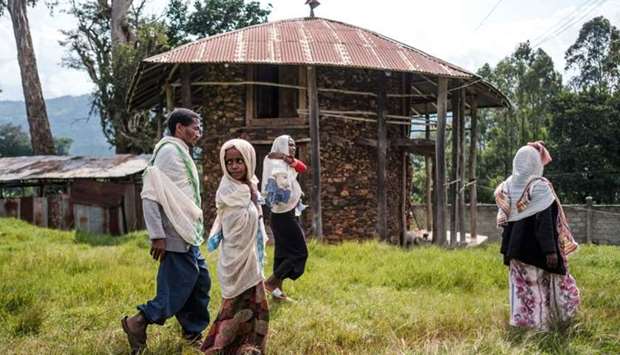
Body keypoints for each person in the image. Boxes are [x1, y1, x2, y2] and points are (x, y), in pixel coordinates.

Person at [121, 108, 211, 354]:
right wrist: (157, 235)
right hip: (173, 234)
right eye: (195, 127)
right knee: (177, 287)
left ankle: (192, 333)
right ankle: (137, 322)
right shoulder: (169, 152)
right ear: (179, 128)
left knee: (200, 282)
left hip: (187, 232)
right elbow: (151, 195)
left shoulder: (180, 151)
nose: (198, 133)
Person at [495, 141, 580, 330]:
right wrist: (551, 251)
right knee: (539, 290)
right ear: (536, 164)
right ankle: (541, 328)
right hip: (536, 252)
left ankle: (522, 326)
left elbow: (506, 220)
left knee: (521, 290)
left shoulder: (507, 186)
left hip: (515, 251)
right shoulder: (539, 187)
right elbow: (546, 224)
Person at [201, 138, 269, 354]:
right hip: (236, 258)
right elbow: (234, 225)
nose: (234, 166)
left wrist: (252, 193)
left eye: (239, 160)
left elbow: (256, 214)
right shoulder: (227, 190)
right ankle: (216, 347)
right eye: (229, 162)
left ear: (249, 160)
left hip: (250, 258)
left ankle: (250, 347)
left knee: (256, 305)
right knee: (233, 308)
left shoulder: (251, 186)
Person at [261, 135, 308, 301]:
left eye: (294, 145)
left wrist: (287, 158)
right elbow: (278, 188)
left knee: (281, 254)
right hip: (283, 216)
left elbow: (303, 168)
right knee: (299, 253)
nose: (293, 148)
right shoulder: (275, 163)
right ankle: (270, 282)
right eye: (290, 145)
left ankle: (277, 293)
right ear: (280, 145)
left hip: (286, 214)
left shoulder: (286, 162)